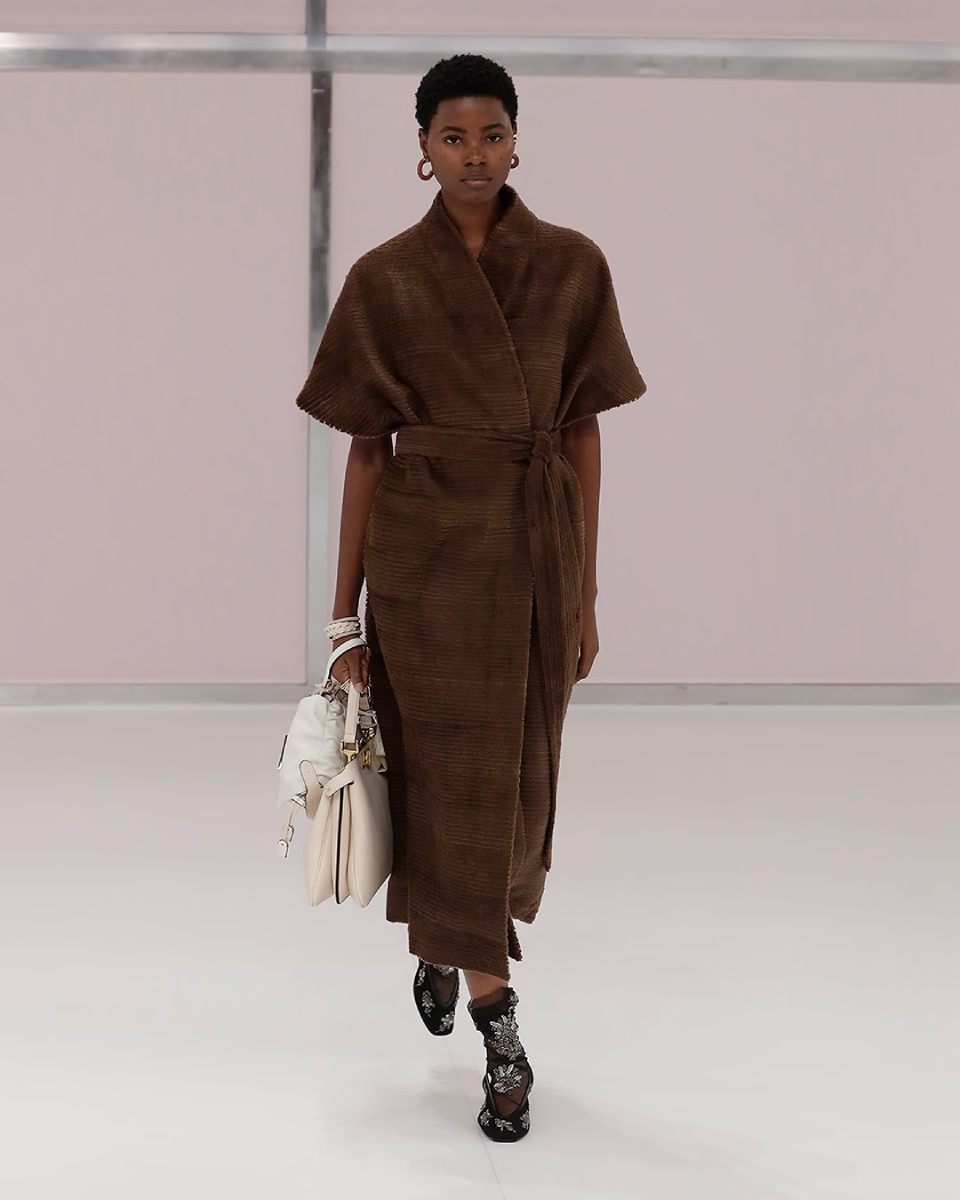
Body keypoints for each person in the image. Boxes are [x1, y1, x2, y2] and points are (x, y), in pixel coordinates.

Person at [295, 53, 646, 1141]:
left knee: (516, 794)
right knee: (446, 783)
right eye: (453, 138)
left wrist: (585, 592)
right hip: (425, 569)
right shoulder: (386, 279)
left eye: (492, 135)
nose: (474, 155)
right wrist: (343, 620)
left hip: (533, 560)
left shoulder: (572, 266)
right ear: (422, 150)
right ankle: (503, 1029)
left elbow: (582, 433)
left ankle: (445, 941)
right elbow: (366, 451)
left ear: (516, 140)